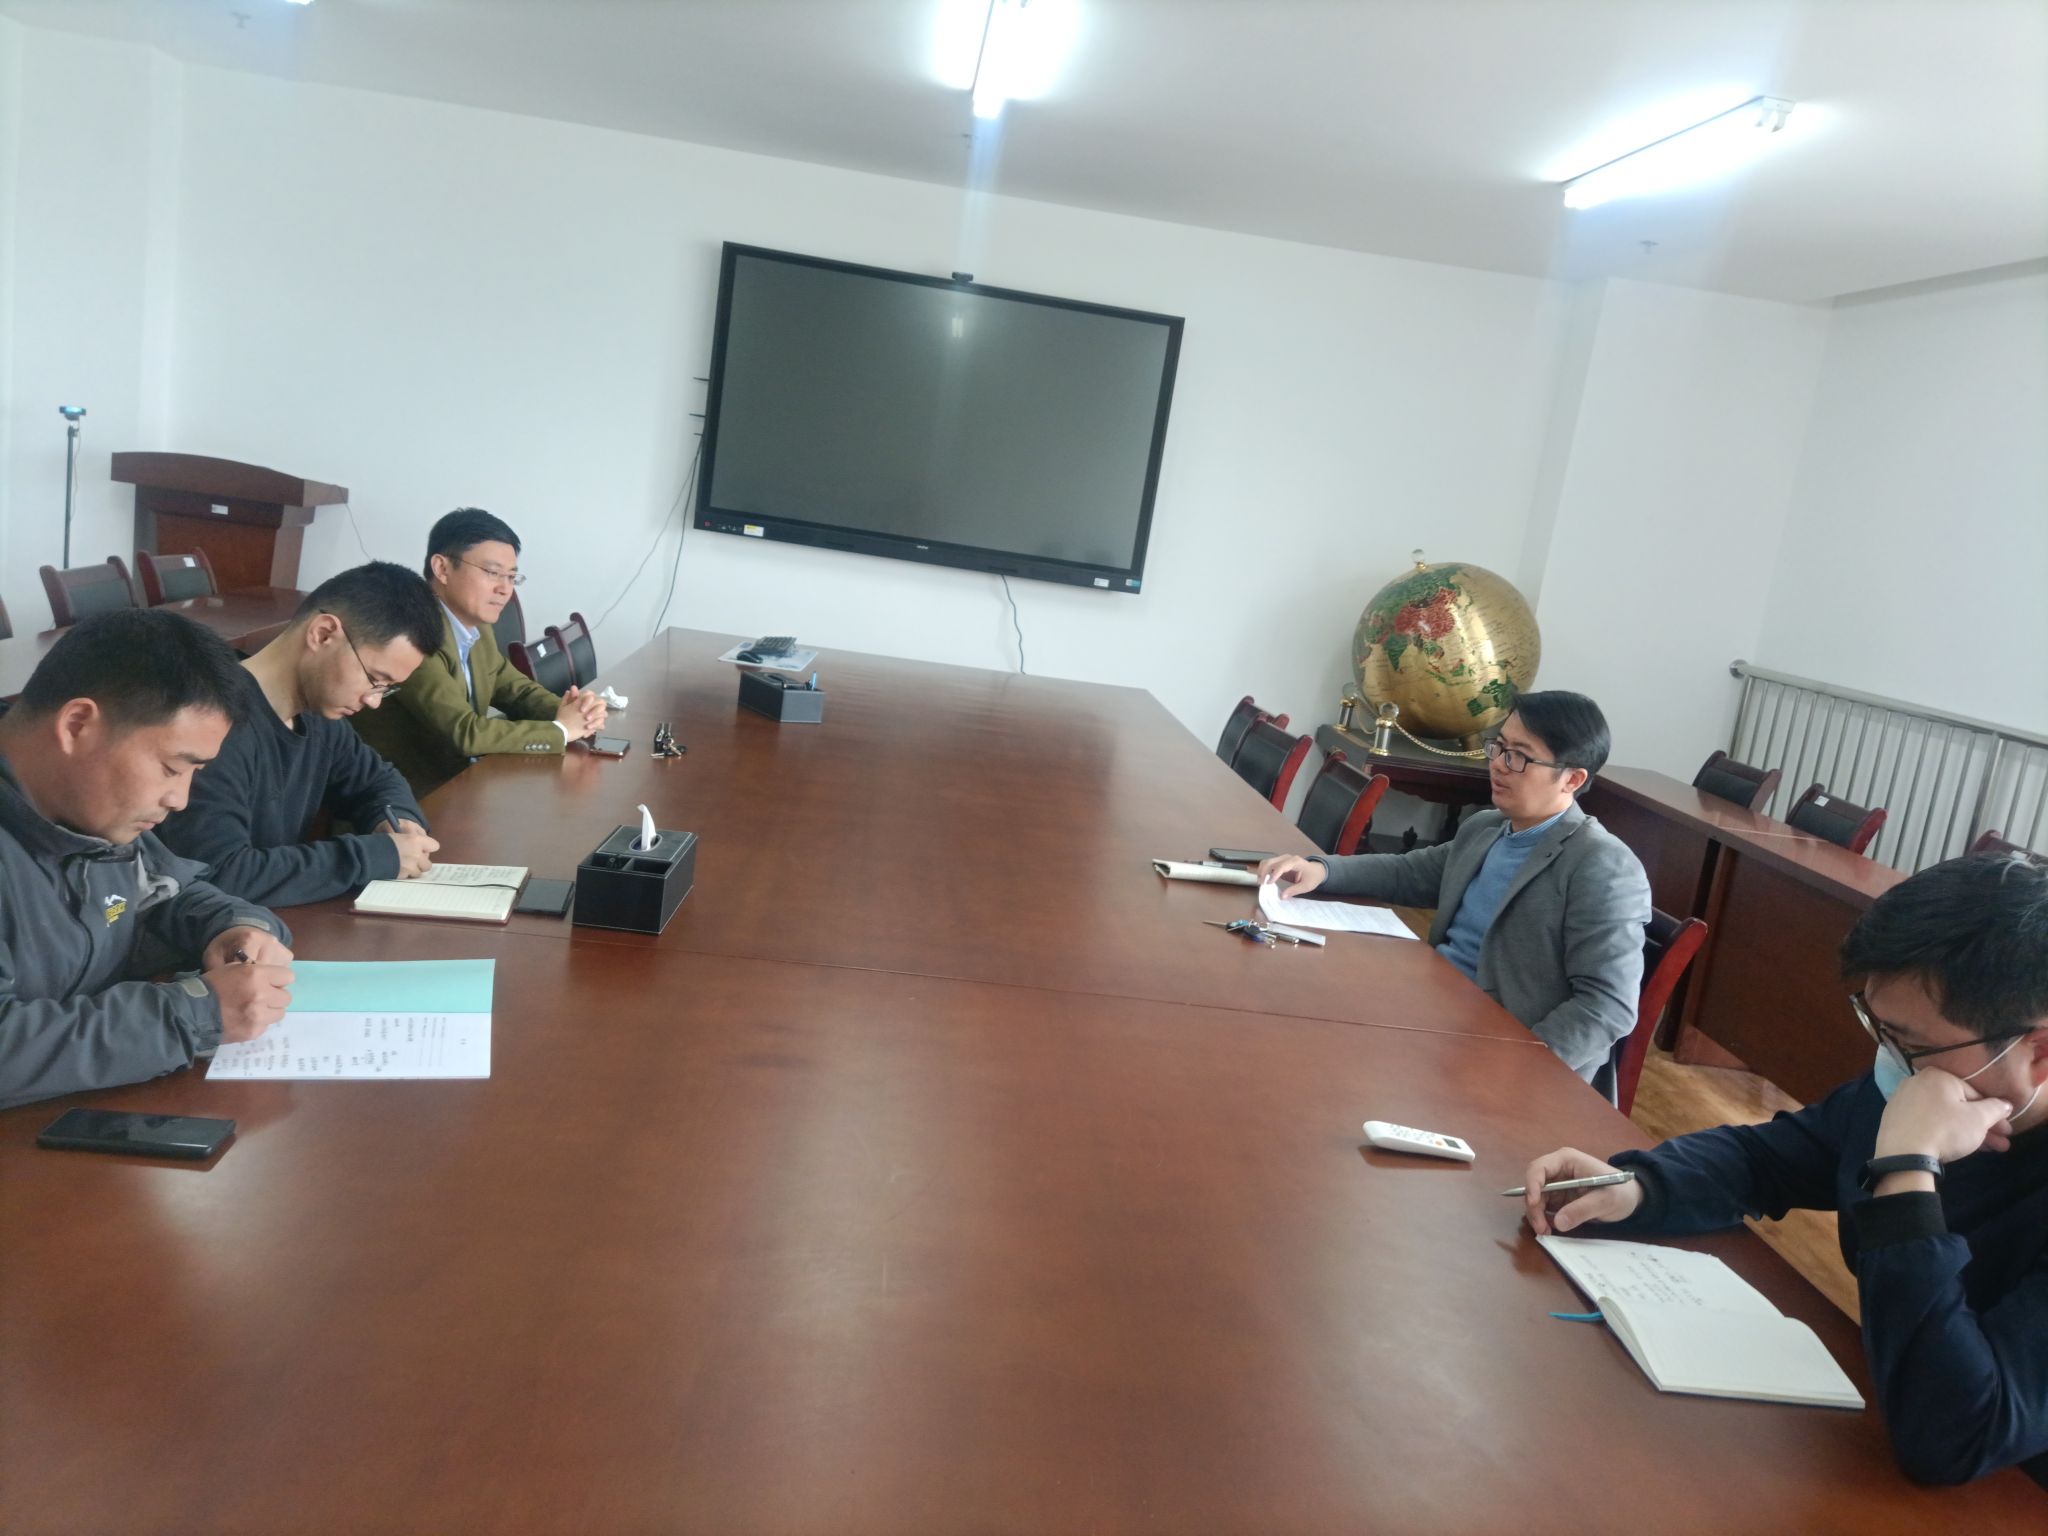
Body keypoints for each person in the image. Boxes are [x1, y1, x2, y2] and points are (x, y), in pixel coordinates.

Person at [1520, 853, 2048, 1488]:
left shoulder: (1920, 1109)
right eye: (1877, 1026)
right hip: (1878, 1429)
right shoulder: (1920, 1086)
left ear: (2038, 1051)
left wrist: (1906, 1172)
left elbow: (1955, 1436)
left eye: (1909, 1042)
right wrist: (1640, 1186)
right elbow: (1766, 1159)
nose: (1887, 1059)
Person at [1260, 691, 1649, 1095]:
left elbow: (1607, 1006)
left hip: (1494, 1051)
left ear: (1572, 778)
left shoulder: (1602, 866)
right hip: (1431, 1011)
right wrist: (1323, 870)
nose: (1498, 764)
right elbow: (1409, 873)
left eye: (1519, 757)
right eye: (1499, 747)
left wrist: (1518, 1060)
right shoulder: (1487, 828)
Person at [0, 609, 295, 1111]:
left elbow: (169, 889)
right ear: (77, 725)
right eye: (171, 768)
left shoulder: (90, 814)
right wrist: (195, 1014)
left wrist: (234, 928)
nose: (180, 799)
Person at [158, 561, 446, 906]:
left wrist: (397, 819)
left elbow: (377, 780)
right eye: (374, 679)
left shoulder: (320, 718)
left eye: (387, 688)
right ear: (323, 634)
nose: (373, 701)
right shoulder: (214, 724)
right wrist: (371, 857)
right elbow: (220, 873)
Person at [350, 507, 607, 795]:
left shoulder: (477, 628)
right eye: (493, 573)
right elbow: (464, 732)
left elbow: (517, 691)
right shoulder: (412, 633)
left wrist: (574, 712)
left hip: (465, 784)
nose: (505, 589)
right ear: (442, 568)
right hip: (411, 797)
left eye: (511, 577)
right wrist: (561, 731)